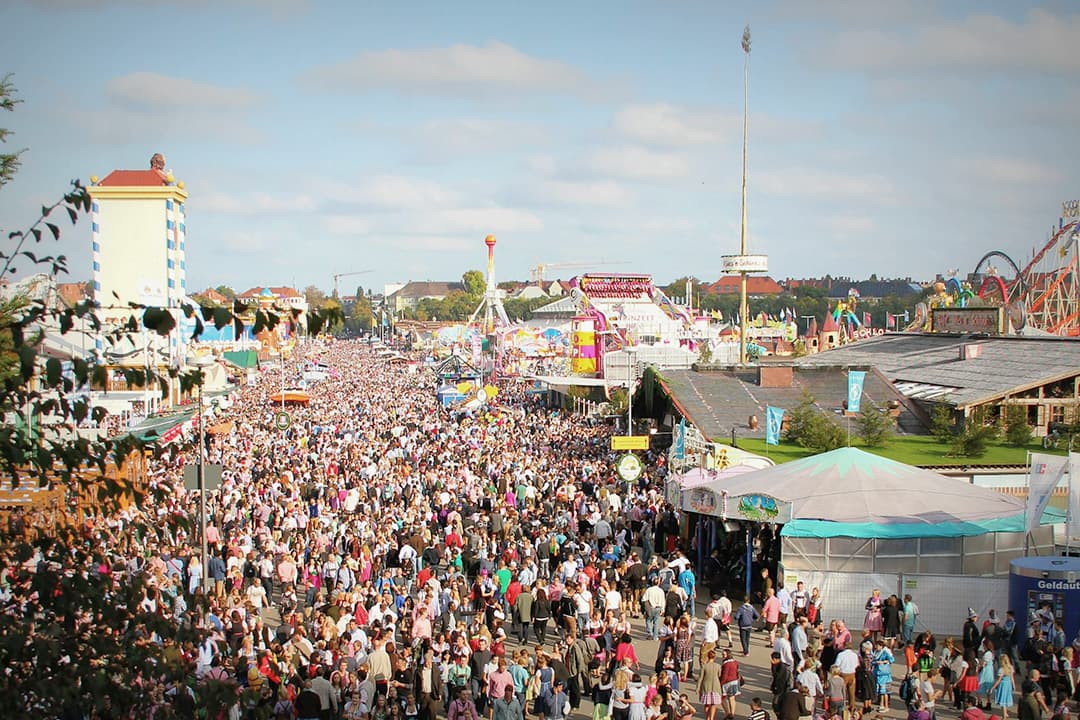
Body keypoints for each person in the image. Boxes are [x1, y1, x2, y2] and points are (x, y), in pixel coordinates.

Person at [698, 648, 724, 720]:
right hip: (716, 687)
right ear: (714, 657)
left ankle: (707, 717)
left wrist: (698, 688)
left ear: (708, 656)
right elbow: (719, 676)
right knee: (713, 704)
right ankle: (711, 718)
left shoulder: (704, 666)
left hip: (706, 687)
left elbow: (700, 678)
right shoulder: (718, 666)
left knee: (706, 704)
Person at [989, 654, 1015, 720]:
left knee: (1002, 700)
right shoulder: (1011, 667)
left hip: (1003, 685)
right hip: (1008, 684)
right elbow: (1012, 678)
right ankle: (1005, 713)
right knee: (1005, 699)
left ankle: (1004, 717)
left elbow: (998, 680)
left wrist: (993, 688)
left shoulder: (1001, 669)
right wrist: (1013, 685)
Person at [719, 648, 741, 720]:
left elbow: (724, 676)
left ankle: (727, 713)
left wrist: (721, 684)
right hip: (735, 682)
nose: (723, 656)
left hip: (727, 683)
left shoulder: (726, 664)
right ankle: (732, 714)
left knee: (722, 698)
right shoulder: (735, 662)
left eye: (724, 654)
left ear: (728, 655)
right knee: (732, 698)